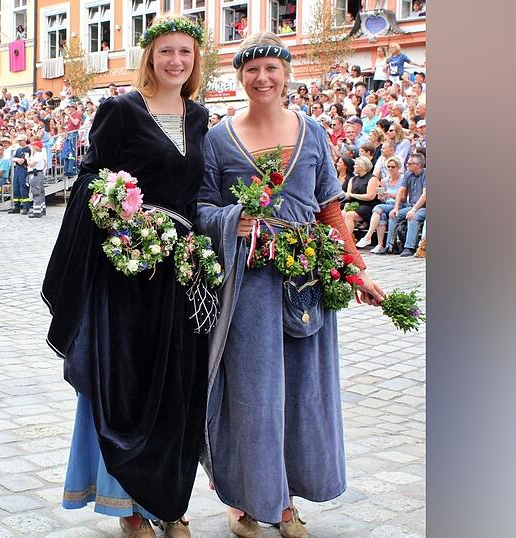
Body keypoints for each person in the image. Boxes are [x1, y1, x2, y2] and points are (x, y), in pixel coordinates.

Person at [195, 32, 385, 538]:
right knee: (254, 394)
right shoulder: (218, 138)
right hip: (248, 285)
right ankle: (246, 501)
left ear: (286, 75)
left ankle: (286, 501)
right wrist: (233, 221)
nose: (262, 78)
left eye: (271, 69)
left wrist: (354, 270)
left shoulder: (313, 132)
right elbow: (203, 207)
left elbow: (329, 208)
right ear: (240, 77)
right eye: (252, 69)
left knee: (301, 392)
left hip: (307, 278)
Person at [41, 16, 210, 538]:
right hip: (128, 270)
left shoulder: (200, 116)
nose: (175, 61)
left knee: (177, 383)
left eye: (184, 51)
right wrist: (126, 211)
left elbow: (200, 194)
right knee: (127, 381)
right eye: (165, 52)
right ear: (150, 57)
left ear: (195, 58)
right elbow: (91, 176)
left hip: (180, 272)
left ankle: (171, 504)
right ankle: (127, 507)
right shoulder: (119, 109)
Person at [381, 153, 426, 257]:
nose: (407, 165)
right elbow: (400, 191)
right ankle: (390, 246)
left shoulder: (426, 174)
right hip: (412, 205)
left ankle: (409, 247)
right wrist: (395, 208)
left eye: (410, 163)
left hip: (424, 207)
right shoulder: (408, 174)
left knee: (413, 217)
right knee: (393, 215)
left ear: (418, 165)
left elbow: (425, 195)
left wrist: (413, 210)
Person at [368, 156, 404, 254]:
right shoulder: (384, 180)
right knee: (382, 215)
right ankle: (380, 245)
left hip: (399, 205)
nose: (390, 169)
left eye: (393, 167)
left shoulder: (403, 179)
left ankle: (368, 236)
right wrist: (381, 196)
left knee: (377, 208)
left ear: (398, 167)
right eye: (388, 166)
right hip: (387, 205)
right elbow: (383, 199)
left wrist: (391, 195)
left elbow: (404, 197)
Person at [344, 157, 383, 245]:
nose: (354, 166)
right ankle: (347, 239)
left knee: (350, 215)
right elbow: (348, 195)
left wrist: (353, 195)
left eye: (356, 164)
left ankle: (346, 242)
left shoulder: (372, 179)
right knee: (342, 214)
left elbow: (370, 196)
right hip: (354, 204)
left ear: (362, 166)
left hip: (368, 205)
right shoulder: (352, 179)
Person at [8, 134, 32, 214]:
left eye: (20, 141)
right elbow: (12, 158)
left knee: (23, 188)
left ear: (24, 140)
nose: (19, 142)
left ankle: (26, 207)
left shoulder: (28, 149)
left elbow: (22, 161)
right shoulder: (18, 149)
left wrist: (16, 160)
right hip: (17, 169)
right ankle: (16, 206)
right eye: (18, 141)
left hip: (23, 170)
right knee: (16, 188)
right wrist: (17, 159)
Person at [26, 140, 47, 218]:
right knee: (41, 192)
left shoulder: (37, 155)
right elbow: (45, 164)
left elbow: (31, 164)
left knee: (36, 192)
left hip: (35, 174)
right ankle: (41, 209)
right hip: (39, 173)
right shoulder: (40, 154)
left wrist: (27, 158)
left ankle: (37, 212)